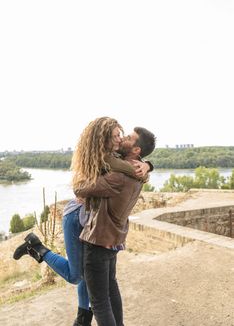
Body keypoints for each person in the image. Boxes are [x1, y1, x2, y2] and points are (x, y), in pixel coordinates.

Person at [13, 117, 152, 326]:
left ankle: (82, 317)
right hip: (76, 214)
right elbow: (86, 185)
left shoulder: (118, 158)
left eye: (123, 136)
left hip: (94, 221)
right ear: (103, 138)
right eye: (116, 136)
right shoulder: (103, 158)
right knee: (77, 275)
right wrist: (141, 168)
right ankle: (38, 248)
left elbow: (127, 169)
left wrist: (147, 166)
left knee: (89, 276)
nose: (120, 138)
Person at [74, 126, 156, 326]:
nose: (123, 139)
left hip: (98, 241)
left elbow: (80, 188)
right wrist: (148, 166)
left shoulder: (118, 176)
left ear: (136, 150)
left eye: (128, 137)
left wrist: (83, 174)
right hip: (113, 240)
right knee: (111, 291)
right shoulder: (138, 172)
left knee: (99, 302)